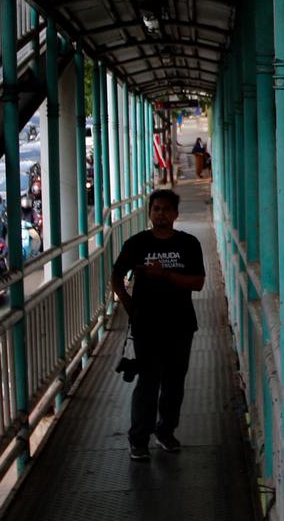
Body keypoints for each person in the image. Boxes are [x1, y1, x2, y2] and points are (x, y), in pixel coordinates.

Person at [110, 189, 205, 461]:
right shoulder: (136, 244)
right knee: (148, 382)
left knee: (175, 383)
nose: (160, 213)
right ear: (149, 213)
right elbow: (116, 276)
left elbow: (198, 282)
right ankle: (138, 439)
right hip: (146, 325)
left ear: (176, 214)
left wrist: (165, 275)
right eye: (156, 209)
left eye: (165, 209)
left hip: (181, 324)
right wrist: (128, 305)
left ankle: (166, 432)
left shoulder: (189, 244)